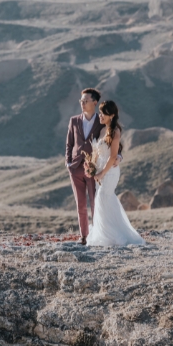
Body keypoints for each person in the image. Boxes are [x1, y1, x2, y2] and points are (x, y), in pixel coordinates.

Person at [85, 100, 145, 247]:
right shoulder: (102, 131)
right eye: (99, 113)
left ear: (111, 115)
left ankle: (112, 235)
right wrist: (91, 166)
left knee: (102, 199)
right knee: (103, 201)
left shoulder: (115, 131)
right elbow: (99, 152)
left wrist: (102, 174)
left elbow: (113, 156)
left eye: (103, 113)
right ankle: (107, 233)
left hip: (110, 172)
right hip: (100, 171)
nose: (100, 116)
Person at [65, 88, 103, 245]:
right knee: (80, 204)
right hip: (76, 168)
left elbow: (109, 139)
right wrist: (68, 163)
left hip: (94, 168)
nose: (82, 103)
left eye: (86, 101)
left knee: (95, 203)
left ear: (94, 102)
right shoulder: (74, 120)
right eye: (81, 101)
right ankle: (84, 236)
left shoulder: (101, 121)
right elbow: (69, 143)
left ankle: (97, 234)